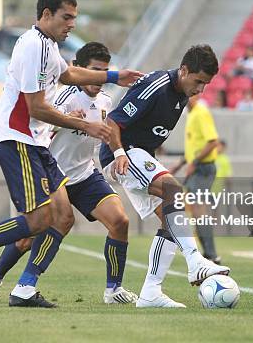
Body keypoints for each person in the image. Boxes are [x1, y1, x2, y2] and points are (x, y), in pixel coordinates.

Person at [0, 0, 141, 307]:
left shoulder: (46, 45)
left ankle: (25, 288)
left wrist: (114, 75)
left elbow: (68, 73)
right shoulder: (33, 46)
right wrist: (86, 125)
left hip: (37, 143)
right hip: (18, 140)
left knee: (62, 218)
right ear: (46, 15)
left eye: (74, 17)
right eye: (66, 17)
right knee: (38, 221)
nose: (72, 23)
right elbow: (36, 109)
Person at [0, 42, 138, 305]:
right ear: (80, 70)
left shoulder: (106, 102)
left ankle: (113, 290)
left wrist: (119, 153)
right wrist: (66, 121)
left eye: (105, 71)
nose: (99, 78)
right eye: (95, 71)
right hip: (52, 175)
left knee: (120, 221)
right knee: (27, 237)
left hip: (84, 175)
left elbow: (109, 132)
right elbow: (40, 128)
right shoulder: (61, 98)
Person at [100, 44, 230, 308]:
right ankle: (194, 261)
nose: (200, 90)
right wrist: (118, 154)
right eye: (198, 81)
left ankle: (150, 292)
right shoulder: (157, 85)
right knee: (175, 191)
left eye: (205, 84)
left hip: (140, 155)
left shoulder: (182, 92)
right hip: (123, 153)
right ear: (183, 70)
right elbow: (113, 122)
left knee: (171, 220)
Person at [183, 95, 220, 262]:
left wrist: (195, 162)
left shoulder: (201, 112)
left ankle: (212, 255)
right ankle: (207, 253)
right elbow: (194, 146)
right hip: (196, 168)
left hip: (203, 168)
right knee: (195, 211)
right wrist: (180, 165)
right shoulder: (191, 114)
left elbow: (212, 142)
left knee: (200, 211)